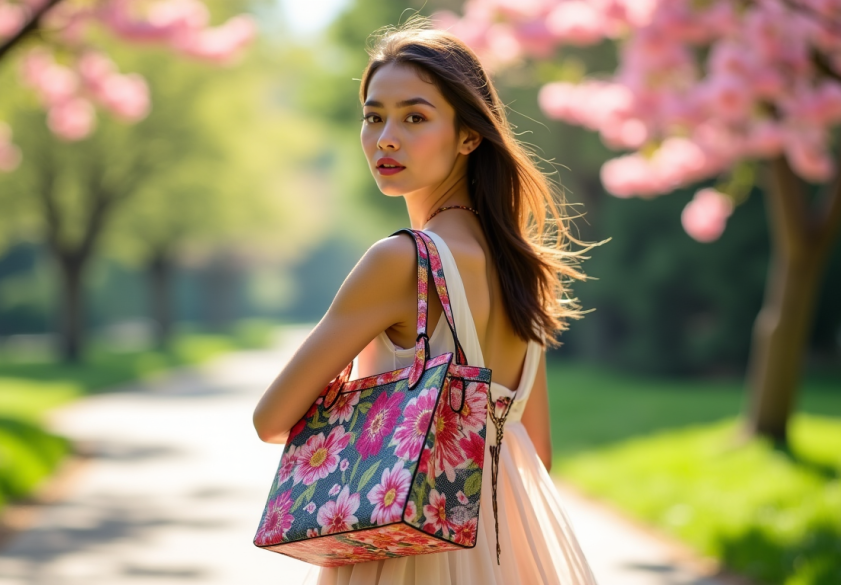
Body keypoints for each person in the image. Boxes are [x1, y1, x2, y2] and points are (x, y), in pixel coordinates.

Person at [253, 21, 599, 585]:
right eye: (373, 116)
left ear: (468, 136)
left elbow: (270, 419)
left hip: (404, 549)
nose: (386, 137)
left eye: (415, 117)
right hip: (505, 546)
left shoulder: (401, 262)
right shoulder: (522, 267)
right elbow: (537, 449)